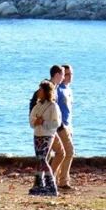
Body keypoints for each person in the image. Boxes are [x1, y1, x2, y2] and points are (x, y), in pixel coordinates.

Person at [29, 65, 68, 193]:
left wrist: (45, 122)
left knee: (44, 158)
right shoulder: (38, 104)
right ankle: (42, 184)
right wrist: (36, 121)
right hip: (39, 133)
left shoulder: (53, 104)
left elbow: (56, 121)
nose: (64, 77)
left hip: (49, 133)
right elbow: (32, 117)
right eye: (63, 74)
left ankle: (49, 183)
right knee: (41, 159)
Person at [55, 63, 76, 190]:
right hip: (60, 126)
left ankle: (59, 179)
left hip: (68, 125)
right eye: (67, 74)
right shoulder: (58, 89)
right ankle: (62, 181)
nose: (69, 77)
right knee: (68, 152)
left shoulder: (68, 89)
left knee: (63, 153)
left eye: (71, 74)